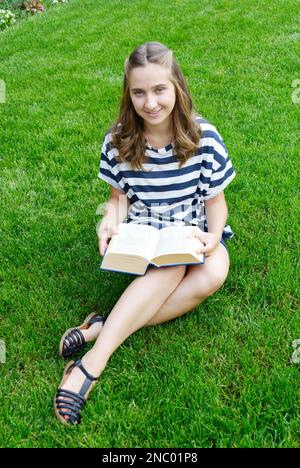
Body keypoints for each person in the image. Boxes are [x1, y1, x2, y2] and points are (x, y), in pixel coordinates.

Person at [54, 41, 236, 425]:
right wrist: (109, 221)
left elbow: (216, 203)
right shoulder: (119, 140)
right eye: (139, 92)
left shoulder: (204, 137)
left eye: (159, 90)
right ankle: (89, 367)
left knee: (215, 271)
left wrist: (215, 236)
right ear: (128, 93)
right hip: (148, 232)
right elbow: (117, 199)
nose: (150, 102)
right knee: (171, 269)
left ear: (177, 89)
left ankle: (102, 327)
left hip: (194, 228)